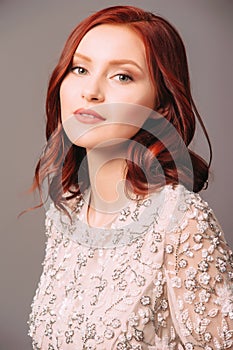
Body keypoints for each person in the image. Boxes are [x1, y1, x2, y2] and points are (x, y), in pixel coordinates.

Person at [28, 5, 233, 350]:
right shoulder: (69, 214)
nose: (91, 91)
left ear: (160, 102)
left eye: (122, 76)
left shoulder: (181, 220)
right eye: (79, 68)